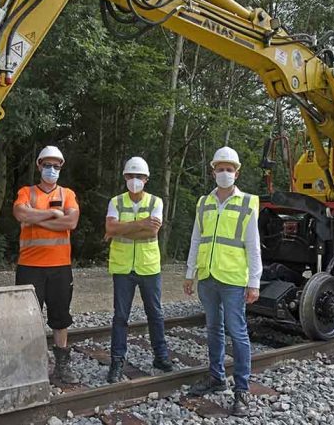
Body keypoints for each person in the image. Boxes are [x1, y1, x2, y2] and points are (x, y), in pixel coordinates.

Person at [183, 146, 262, 416]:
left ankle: (242, 390)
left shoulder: (247, 202)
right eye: (221, 168)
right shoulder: (204, 203)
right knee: (213, 330)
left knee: (237, 332)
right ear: (213, 171)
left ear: (237, 173)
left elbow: (253, 246)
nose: (225, 173)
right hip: (207, 277)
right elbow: (196, 239)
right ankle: (216, 379)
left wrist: (254, 281)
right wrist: (189, 272)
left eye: (229, 169)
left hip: (232, 280)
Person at [13, 145, 80, 384]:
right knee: (27, 319)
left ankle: (62, 365)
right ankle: (27, 368)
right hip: (29, 266)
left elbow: (71, 222)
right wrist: (54, 215)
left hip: (60, 267)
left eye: (56, 165)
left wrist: (38, 218)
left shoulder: (67, 194)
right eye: (47, 164)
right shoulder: (26, 192)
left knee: (60, 317)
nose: (51, 169)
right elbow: (22, 215)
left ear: (61, 167)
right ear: (39, 165)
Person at [104, 156, 173, 383]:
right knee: (120, 316)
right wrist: (141, 223)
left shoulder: (156, 202)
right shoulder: (116, 201)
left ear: (146, 179)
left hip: (148, 267)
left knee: (155, 313)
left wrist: (120, 229)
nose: (135, 180)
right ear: (125, 177)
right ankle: (116, 361)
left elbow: (152, 232)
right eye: (131, 176)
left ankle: (160, 356)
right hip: (123, 267)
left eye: (139, 176)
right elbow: (109, 227)